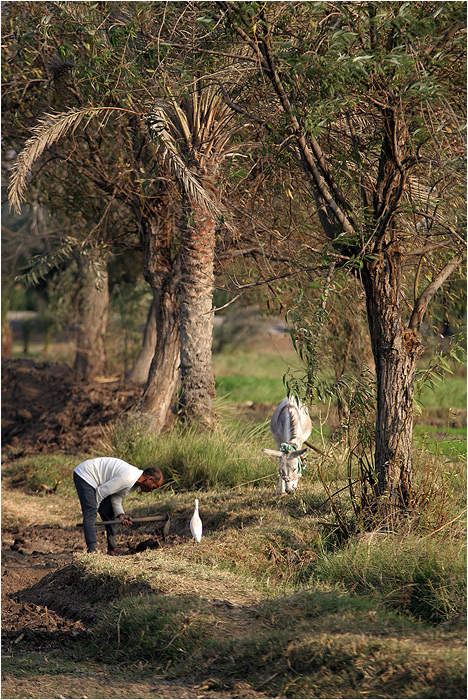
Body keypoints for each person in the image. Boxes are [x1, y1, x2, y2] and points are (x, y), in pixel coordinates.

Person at [73, 457, 163, 555]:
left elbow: (116, 497)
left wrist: (121, 514)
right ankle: (91, 550)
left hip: (100, 483)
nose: (151, 491)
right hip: (86, 474)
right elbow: (100, 492)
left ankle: (112, 548)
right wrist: (94, 510)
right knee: (90, 513)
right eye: (153, 487)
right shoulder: (128, 478)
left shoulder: (135, 484)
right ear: (149, 479)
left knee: (110, 513)